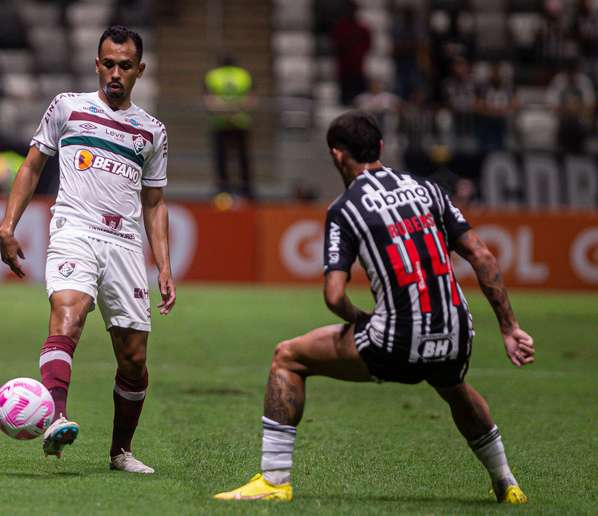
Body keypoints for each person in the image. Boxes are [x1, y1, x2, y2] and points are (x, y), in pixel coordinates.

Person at [214, 111, 534, 503]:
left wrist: (361, 320)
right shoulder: (428, 188)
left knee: (287, 357)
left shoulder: (345, 208)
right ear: (380, 147)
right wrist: (509, 327)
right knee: (453, 386)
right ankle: (506, 482)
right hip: (455, 335)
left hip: (396, 342)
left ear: (336, 155)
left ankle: (274, 481)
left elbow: (333, 296)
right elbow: (482, 256)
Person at [0, 25, 176, 474]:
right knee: (68, 314)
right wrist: (8, 225)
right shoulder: (67, 107)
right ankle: (55, 417)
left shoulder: (152, 132)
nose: (115, 73)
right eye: (108, 63)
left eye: (125, 66)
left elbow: (154, 203)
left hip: (125, 245)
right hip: (74, 229)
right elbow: (32, 165)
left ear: (140, 70)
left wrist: (165, 266)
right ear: (97, 64)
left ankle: (120, 452)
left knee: (134, 358)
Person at [204, 55, 255, 200]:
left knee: (222, 158)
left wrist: (224, 110)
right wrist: (235, 109)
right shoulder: (243, 75)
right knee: (243, 158)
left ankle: (223, 189)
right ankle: (246, 190)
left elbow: (209, 101)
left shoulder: (213, 76)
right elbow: (251, 99)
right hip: (240, 122)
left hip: (220, 122)